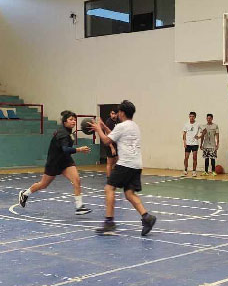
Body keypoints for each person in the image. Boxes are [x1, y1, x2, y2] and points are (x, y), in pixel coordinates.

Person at [91, 100, 157, 236]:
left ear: (121, 113)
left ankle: (109, 222)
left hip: (125, 164)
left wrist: (98, 129)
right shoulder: (134, 126)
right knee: (129, 193)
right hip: (136, 165)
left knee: (109, 188)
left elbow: (106, 140)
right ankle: (147, 217)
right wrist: (103, 127)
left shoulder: (121, 126)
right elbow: (115, 136)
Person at [18, 111, 91, 215]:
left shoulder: (69, 131)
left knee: (77, 180)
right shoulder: (63, 133)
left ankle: (79, 207)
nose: (74, 121)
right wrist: (79, 149)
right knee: (43, 185)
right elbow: (65, 149)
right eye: (71, 119)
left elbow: (66, 152)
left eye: (74, 119)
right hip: (54, 162)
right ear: (65, 121)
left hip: (65, 161)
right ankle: (25, 194)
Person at [182, 111, 201, 177]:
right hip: (188, 144)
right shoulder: (186, 124)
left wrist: (199, 136)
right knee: (186, 157)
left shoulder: (198, 124)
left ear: (195, 117)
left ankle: (194, 171)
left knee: (194, 157)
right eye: (190, 116)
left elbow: (204, 131)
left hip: (195, 144)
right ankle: (185, 170)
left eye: (193, 116)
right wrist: (184, 142)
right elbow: (184, 134)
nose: (191, 117)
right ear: (189, 117)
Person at [103, 107, 119, 178]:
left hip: (117, 144)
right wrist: (112, 147)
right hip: (109, 144)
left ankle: (115, 175)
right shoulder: (108, 122)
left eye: (115, 114)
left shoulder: (119, 121)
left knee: (117, 161)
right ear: (110, 114)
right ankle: (109, 178)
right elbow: (107, 136)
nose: (113, 115)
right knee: (110, 162)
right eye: (112, 114)